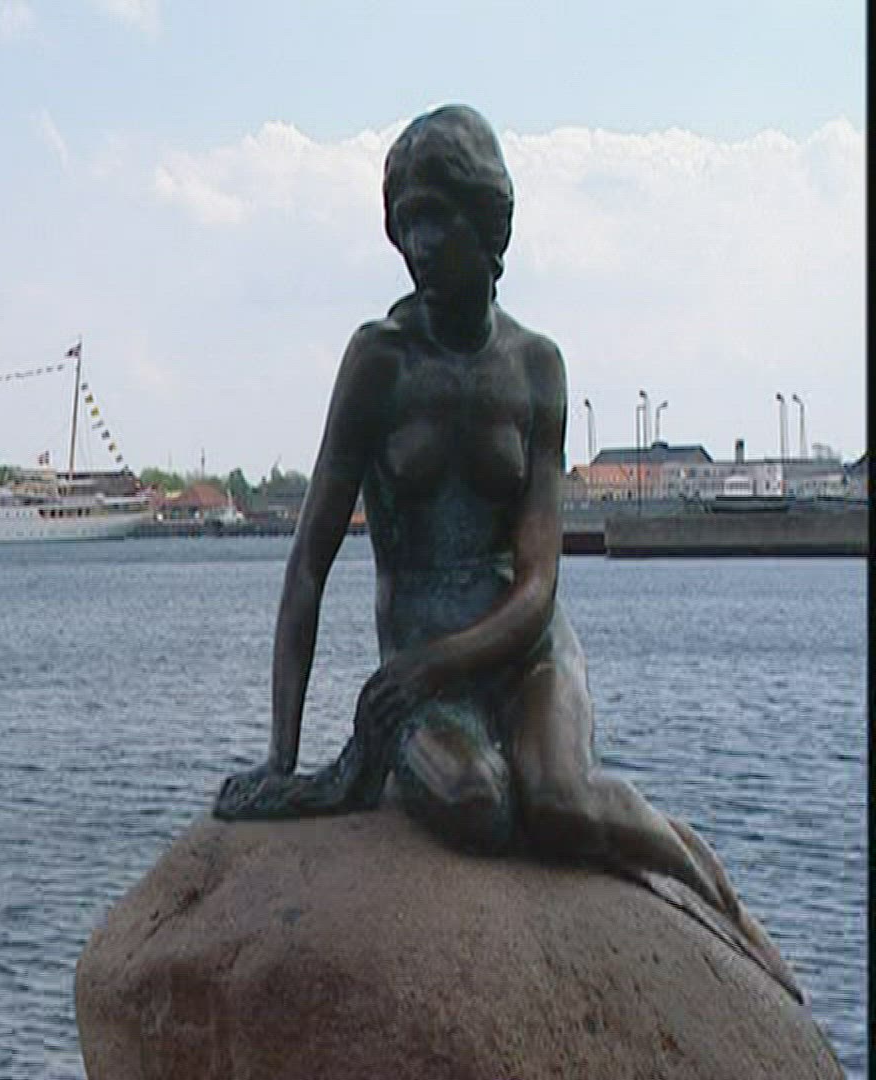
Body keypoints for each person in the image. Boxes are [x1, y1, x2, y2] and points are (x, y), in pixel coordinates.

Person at [213, 104, 802, 1002]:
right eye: (406, 222)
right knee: (476, 806)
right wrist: (282, 758)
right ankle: (621, 848)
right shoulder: (379, 362)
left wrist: (441, 662)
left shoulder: (536, 367)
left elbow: (539, 583)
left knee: (559, 799)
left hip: (524, 645)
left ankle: (714, 899)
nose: (418, 245)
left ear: (489, 225)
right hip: (424, 665)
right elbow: (308, 567)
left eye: (437, 219)